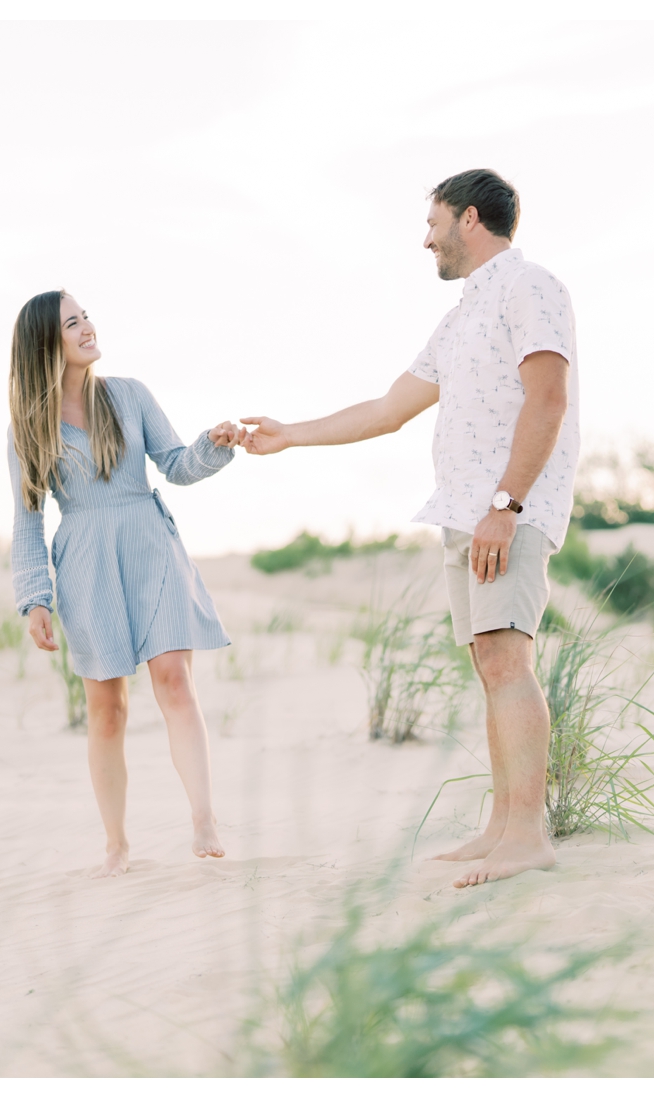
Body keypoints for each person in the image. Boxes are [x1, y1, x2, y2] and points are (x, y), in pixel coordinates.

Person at [243, 168, 579, 888]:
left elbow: (547, 400)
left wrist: (506, 506)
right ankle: (502, 824)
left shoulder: (532, 288)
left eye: (433, 223)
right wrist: (290, 434)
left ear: (470, 219)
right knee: (490, 663)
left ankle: (528, 831)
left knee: (508, 661)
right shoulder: (458, 319)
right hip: (465, 512)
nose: (425, 239)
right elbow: (388, 409)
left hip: (505, 512)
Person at [7, 289, 245, 878]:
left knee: (174, 681)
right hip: (86, 560)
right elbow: (27, 522)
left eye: (85, 316)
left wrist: (211, 447)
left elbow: (176, 464)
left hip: (150, 543)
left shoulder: (130, 395)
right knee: (107, 708)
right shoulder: (26, 429)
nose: (88, 327)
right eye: (72, 323)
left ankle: (203, 821)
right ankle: (116, 843)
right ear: (46, 344)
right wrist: (34, 598)